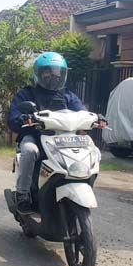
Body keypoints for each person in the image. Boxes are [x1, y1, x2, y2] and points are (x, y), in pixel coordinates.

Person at [7, 51, 88, 215]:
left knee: (89, 150)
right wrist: (21, 119)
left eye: (57, 72)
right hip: (35, 137)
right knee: (30, 151)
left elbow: (82, 111)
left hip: (62, 139)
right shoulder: (26, 93)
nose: (53, 76)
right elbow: (13, 116)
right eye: (47, 72)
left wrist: (94, 118)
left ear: (63, 74)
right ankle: (23, 194)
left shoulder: (67, 95)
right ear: (38, 73)